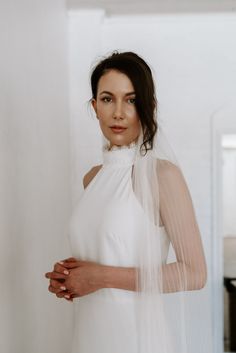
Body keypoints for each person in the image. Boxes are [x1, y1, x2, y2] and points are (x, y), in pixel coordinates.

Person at [45, 51, 208, 353]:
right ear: (95, 107)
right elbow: (96, 255)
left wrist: (100, 276)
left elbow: (194, 274)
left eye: (131, 100)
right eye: (107, 99)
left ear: (149, 107)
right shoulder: (92, 178)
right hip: (89, 336)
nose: (118, 112)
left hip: (136, 340)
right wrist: (69, 277)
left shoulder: (162, 175)